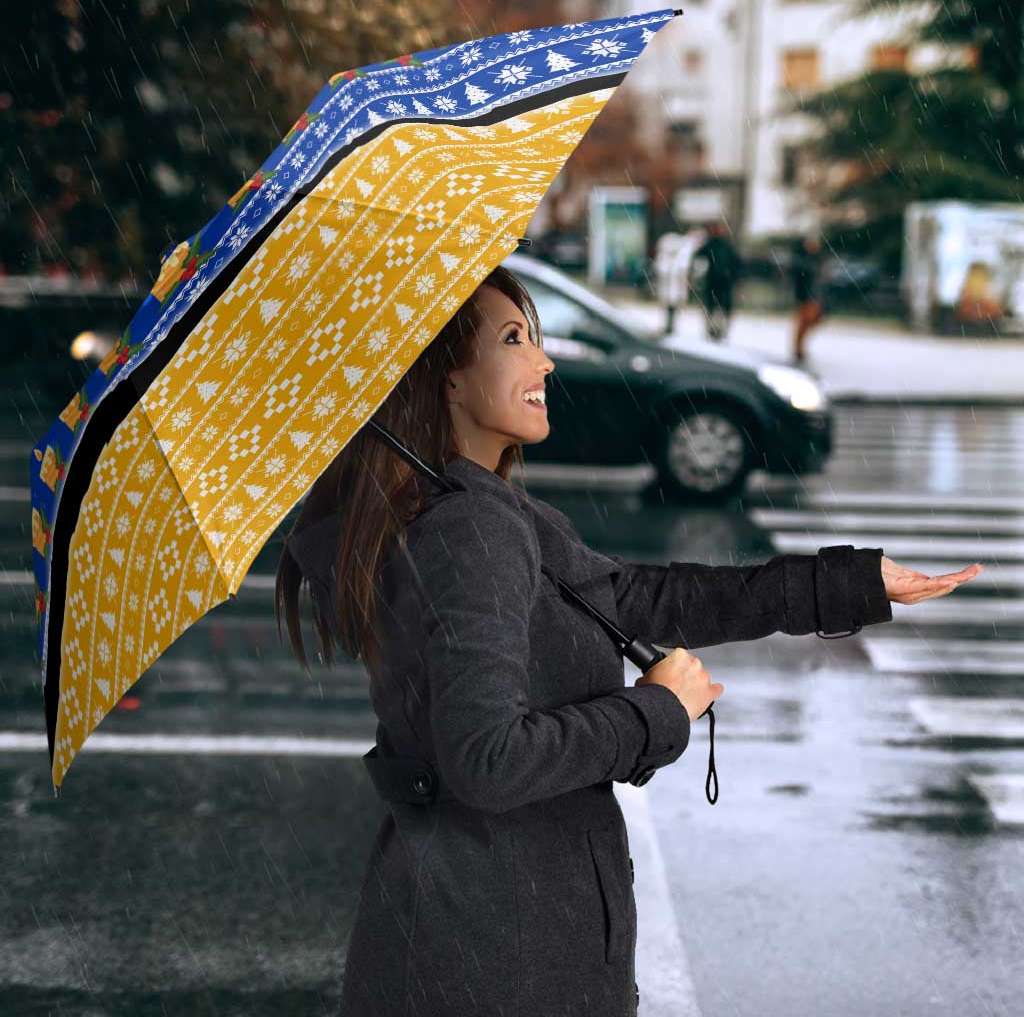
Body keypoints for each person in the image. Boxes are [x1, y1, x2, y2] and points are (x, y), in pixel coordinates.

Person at [275, 264, 976, 1017]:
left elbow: (638, 598)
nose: (544, 361)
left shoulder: (475, 510)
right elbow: (487, 761)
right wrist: (656, 712)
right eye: (514, 339)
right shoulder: (469, 529)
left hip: (481, 933)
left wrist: (850, 584)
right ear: (446, 378)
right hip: (500, 955)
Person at [692, 219, 742, 342]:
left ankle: (719, 330)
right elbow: (698, 257)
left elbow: (736, 263)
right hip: (715, 281)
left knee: (720, 308)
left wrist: (735, 277)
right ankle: (713, 330)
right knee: (713, 307)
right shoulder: (712, 244)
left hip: (723, 281)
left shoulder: (725, 245)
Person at [790, 232, 826, 363]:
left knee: (812, 321)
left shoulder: (817, 259)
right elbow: (799, 279)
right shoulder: (802, 260)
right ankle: (798, 348)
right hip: (805, 296)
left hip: (814, 296)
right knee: (804, 322)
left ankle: (799, 347)